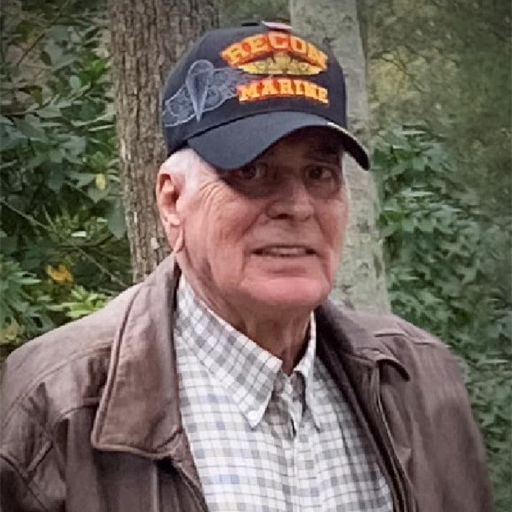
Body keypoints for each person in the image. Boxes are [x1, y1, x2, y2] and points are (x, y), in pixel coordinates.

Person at [0, 21, 493, 512]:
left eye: (319, 173)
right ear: (173, 200)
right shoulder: (53, 405)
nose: (297, 206)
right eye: (253, 171)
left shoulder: (420, 380)